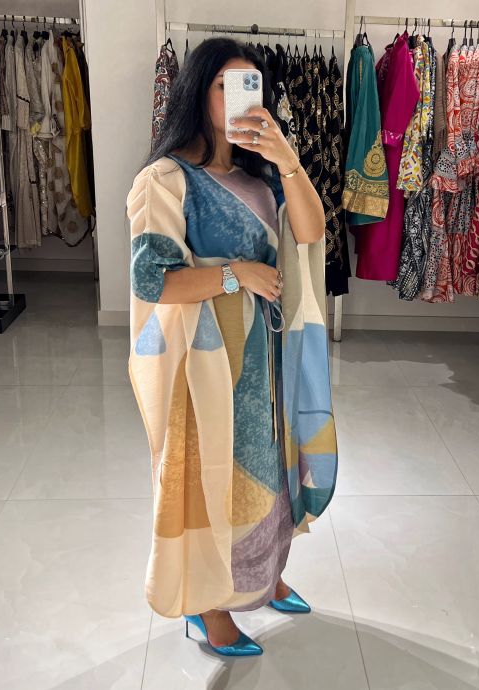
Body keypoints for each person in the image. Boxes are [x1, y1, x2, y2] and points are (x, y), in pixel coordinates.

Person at [126, 37, 338, 658]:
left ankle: (263, 576)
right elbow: (152, 280)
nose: (240, 97)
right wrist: (234, 274)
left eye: (251, 86)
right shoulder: (166, 180)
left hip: (264, 355)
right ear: (199, 91)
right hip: (205, 364)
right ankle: (207, 604)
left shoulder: (262, 175)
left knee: (267, 466)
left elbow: (311, 232)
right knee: (211, 476)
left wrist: (288, 158)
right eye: (226, 85)